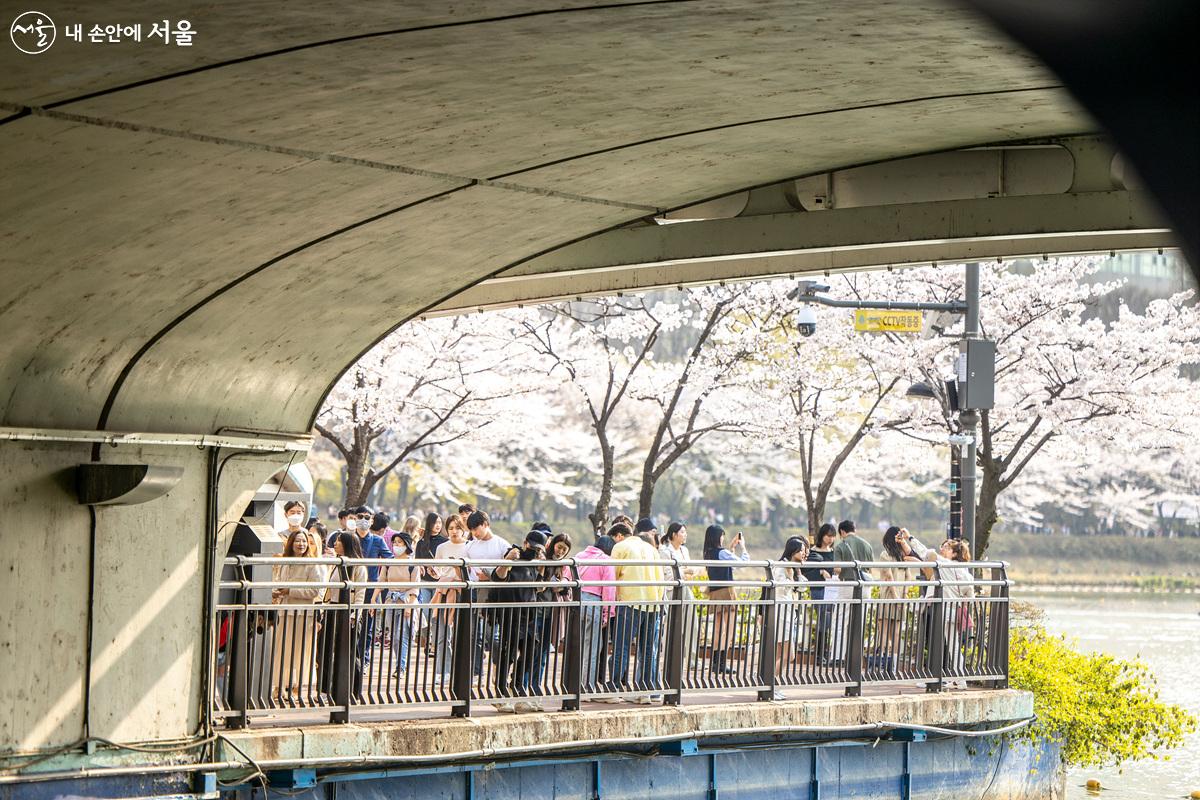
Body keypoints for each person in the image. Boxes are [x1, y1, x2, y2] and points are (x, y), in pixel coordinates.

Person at [492, 530, 553, 713]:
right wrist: (508, 560)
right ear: (525, 542)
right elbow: (498, 577)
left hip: (529, 614)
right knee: (508, 653)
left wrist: (541, 569)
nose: (534, 551)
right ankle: (501, 693)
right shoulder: (514, 555)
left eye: (538, 549)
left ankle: (517, 687)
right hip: (511, 612)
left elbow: (540, 588)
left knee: (531, 650)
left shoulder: (535, 563)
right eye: (532, 547)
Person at [609, 522, 665, 704]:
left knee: (622, 646)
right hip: (653, 603)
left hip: (630, 601)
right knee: (648, 649)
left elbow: (613, 575)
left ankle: (615, 687)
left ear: (620, 536)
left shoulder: (620, 547)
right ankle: (646, 691)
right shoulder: (652, 550)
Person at [270, 530, 326, 701]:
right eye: (297, 541)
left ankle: (297, 688)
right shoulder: (285, 562)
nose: (301, 544)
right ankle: (279, 687)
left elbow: (314, 591)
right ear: (291, 544)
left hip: (304, 614)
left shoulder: (312, 564)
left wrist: (290, 591)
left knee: (301, 653)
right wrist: (276, 592)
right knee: (281, 650)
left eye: (304, 541)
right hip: (285, 611)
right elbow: (277, 582)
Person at [917, 536, 975, 686]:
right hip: (954, 610)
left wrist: (910, 538)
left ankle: (933, 680)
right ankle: (960, 679)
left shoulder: (946, 565)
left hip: (941, 609)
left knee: (936, 643)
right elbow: (970, 591)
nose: (943, 549)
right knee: (953, 645)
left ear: (954, 554)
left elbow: (927, 552)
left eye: (948, 548)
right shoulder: (964, 571)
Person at [464, 510, 511, 684]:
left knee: (494, 636)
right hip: (476, 591)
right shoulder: (470, 546)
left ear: (485, 524)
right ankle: (476, 673)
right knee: (475, 634)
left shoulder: (501, 545)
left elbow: (508, 571)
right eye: (472, 530)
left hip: (496, 594)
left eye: (476, 528)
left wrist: (490, 575)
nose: (474, 533)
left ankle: (498, 670)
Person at [874, 526, 923, 676]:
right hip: (901, 597)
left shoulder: (885, 555)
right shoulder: (902, 555)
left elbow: (889, 576)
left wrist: (895, 597)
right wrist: (904, 596)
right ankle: (894, 667)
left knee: (883, 632)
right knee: (896, 633)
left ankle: (881, 666)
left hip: (888, 597)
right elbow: (908, 576)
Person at [324, 531, 368, 700]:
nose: (335, 543)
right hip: (333, 608)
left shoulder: (358, 566)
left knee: (350, 652)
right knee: (329, 650)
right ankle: (331, 689)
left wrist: (354, 615)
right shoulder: (337, 563)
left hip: (349, 612)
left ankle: (352, 690)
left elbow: (360, 593)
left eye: (339, 541)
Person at [702, 525, 750, 678]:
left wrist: (731, 548)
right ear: (717, 537)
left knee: (717, 630)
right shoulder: (722, 552)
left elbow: (728, 566)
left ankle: (715, 664)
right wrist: (743, 547)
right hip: (727, 592)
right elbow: (743, 563)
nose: (722, 538)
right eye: (721, 535)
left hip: (715, 592)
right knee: (728, 630)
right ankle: (722, 663)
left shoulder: (708, 553)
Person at [575, 535, 617, 693]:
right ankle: (587, 686)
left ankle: (572, 683)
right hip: (594, 604)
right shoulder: (606, 560)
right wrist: (608, 613)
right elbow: (609, 589)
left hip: (576, 603)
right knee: (592, 647)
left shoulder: (579, 556)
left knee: (577, 646)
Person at [769, 536, 809, 699]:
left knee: (780, 654)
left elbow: (802, 587)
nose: (804, 553)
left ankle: (772, 686)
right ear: (793, 551)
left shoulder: (793, 568)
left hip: (788, 613)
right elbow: (780, 585)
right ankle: (770, 684)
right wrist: (793, 576)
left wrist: (798, 571)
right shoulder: (781, 566)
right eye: (801, 550)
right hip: (781, 613)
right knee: (789, 655)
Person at [430, 514, 470, 674]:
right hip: (443, 592)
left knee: (462, 635)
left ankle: (461, 671)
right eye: (451, 528)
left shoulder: (469, 546)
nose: (454, 531)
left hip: (462, 592)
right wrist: (434, 573)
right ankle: (443, 671)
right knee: (442, 635)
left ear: (463, 529)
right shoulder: (442, 547)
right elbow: (438, 571)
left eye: (458, 528)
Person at [382, 532, 420, 677]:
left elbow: (415, 587)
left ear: (407, 545)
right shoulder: (389, 562)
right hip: (391, 602)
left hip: (406, 601)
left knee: (401, 635)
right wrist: (373, 600)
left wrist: (409, 606)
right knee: (394, 636)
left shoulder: (412, 564)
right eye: (395, 542)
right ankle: (400, 661)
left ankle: (401, 667)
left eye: (400, 542)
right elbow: (381, 582)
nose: (396, 545)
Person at [802, 524, 838, 664]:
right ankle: (819, 655)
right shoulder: (812, 552)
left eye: (833, 536)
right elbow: (807, 571)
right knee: (823, 620)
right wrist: (820, 572)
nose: (831, 539)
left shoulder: (834, 552)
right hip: (817, 588)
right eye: (828, 535)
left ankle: (824, 653)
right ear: (822, 535)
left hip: (831, 589)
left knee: (828, 621)